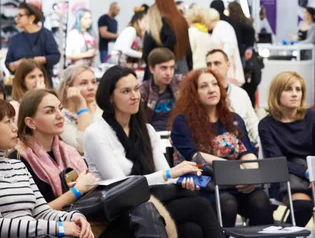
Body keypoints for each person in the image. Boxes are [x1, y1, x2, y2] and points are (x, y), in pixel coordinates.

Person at [84, 66, 224, 238]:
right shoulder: (96, 133)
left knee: (191, 230)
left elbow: (164, 177)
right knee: (200, 206)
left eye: (136, 89)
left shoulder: (147, 130)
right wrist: (168, 174)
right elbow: (120, 186)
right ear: (110, 97)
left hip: (151, 200)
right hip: (118, 209)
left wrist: (181, 179)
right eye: (126, 91)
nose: (135, 96)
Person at [0, 96, 93, 238]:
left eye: (13, 121)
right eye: (7, 122)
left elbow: (42, 212)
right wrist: (59, 227)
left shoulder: (17, 166)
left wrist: (74, 217)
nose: (15, 128)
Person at [171, 69, 273, 228]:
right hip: (203, 184)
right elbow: (195, 156)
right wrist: (236, 169)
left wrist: (251, 176)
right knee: (227, 203)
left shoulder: (233, 119)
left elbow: (246, 152)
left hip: (235, 182)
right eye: (204, 86)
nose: (211, 89)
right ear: (193, 93)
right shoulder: (182, 122)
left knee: (260, 200)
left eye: (215, 85)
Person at [10, 89, 99, 210]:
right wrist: (77, 190)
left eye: (60, 109)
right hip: (53, 226)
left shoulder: (68, 151)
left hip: (84, 219)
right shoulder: (18, 159)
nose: (60, 115)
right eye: (50, 111)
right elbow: (34, 214)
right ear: (30, 122)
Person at [258, 71, 315, 228]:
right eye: (288, 89)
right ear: (277, 93)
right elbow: (277, 160)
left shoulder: (313, 117)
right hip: (285, 175)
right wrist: (307, 173)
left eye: (298, 89)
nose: (295, 94)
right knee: (303, 207)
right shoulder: (266, 125)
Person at [206, 49, 259, 143]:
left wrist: (261, 141)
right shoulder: (202, 95)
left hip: (241, 146)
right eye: (209, 64)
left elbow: (252, 123)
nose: (212, 68)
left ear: (228, 65)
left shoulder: (241, 94)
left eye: (217, 63)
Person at [5, 3, 60, 85]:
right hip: (21, 83)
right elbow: (8, 63)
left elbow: (55, 57)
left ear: (31, 18)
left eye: (20, 16)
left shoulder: (45, 35)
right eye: (16, 16)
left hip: (42, 83)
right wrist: (17, 64)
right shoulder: (15, 39)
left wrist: (35, 61)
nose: (17, 19)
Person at [57, 66, 102, 153]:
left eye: (94, 82)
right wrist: (81, 105)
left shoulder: (102, 107)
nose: (91, 87)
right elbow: (83, 147)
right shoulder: (62, 117)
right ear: (69, 89)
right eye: (83, 83)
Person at [140, 48, 181, 132]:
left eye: (172, 68)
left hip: (177, 132)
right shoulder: (143, 90)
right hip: (154, 134)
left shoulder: (179, 83)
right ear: (152, 69)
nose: (168, 73)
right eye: (163, 68)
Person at [155, 0, 191, 74]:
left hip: (169, 64)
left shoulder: (165, 21)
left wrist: (160, 51)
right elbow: (188, 45)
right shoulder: (181, 19)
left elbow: (171, 39)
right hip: (183, 62)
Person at [206, 8, 245, 86]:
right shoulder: (218, 27)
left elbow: (230, 46)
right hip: (222, 66)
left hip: (228, 69)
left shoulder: (223, 26)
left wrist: (220, 57)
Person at [142, 4, 176, 81]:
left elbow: (145, 54)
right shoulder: (171, 31)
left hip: (153, 71)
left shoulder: (150, 33)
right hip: (169, 68)